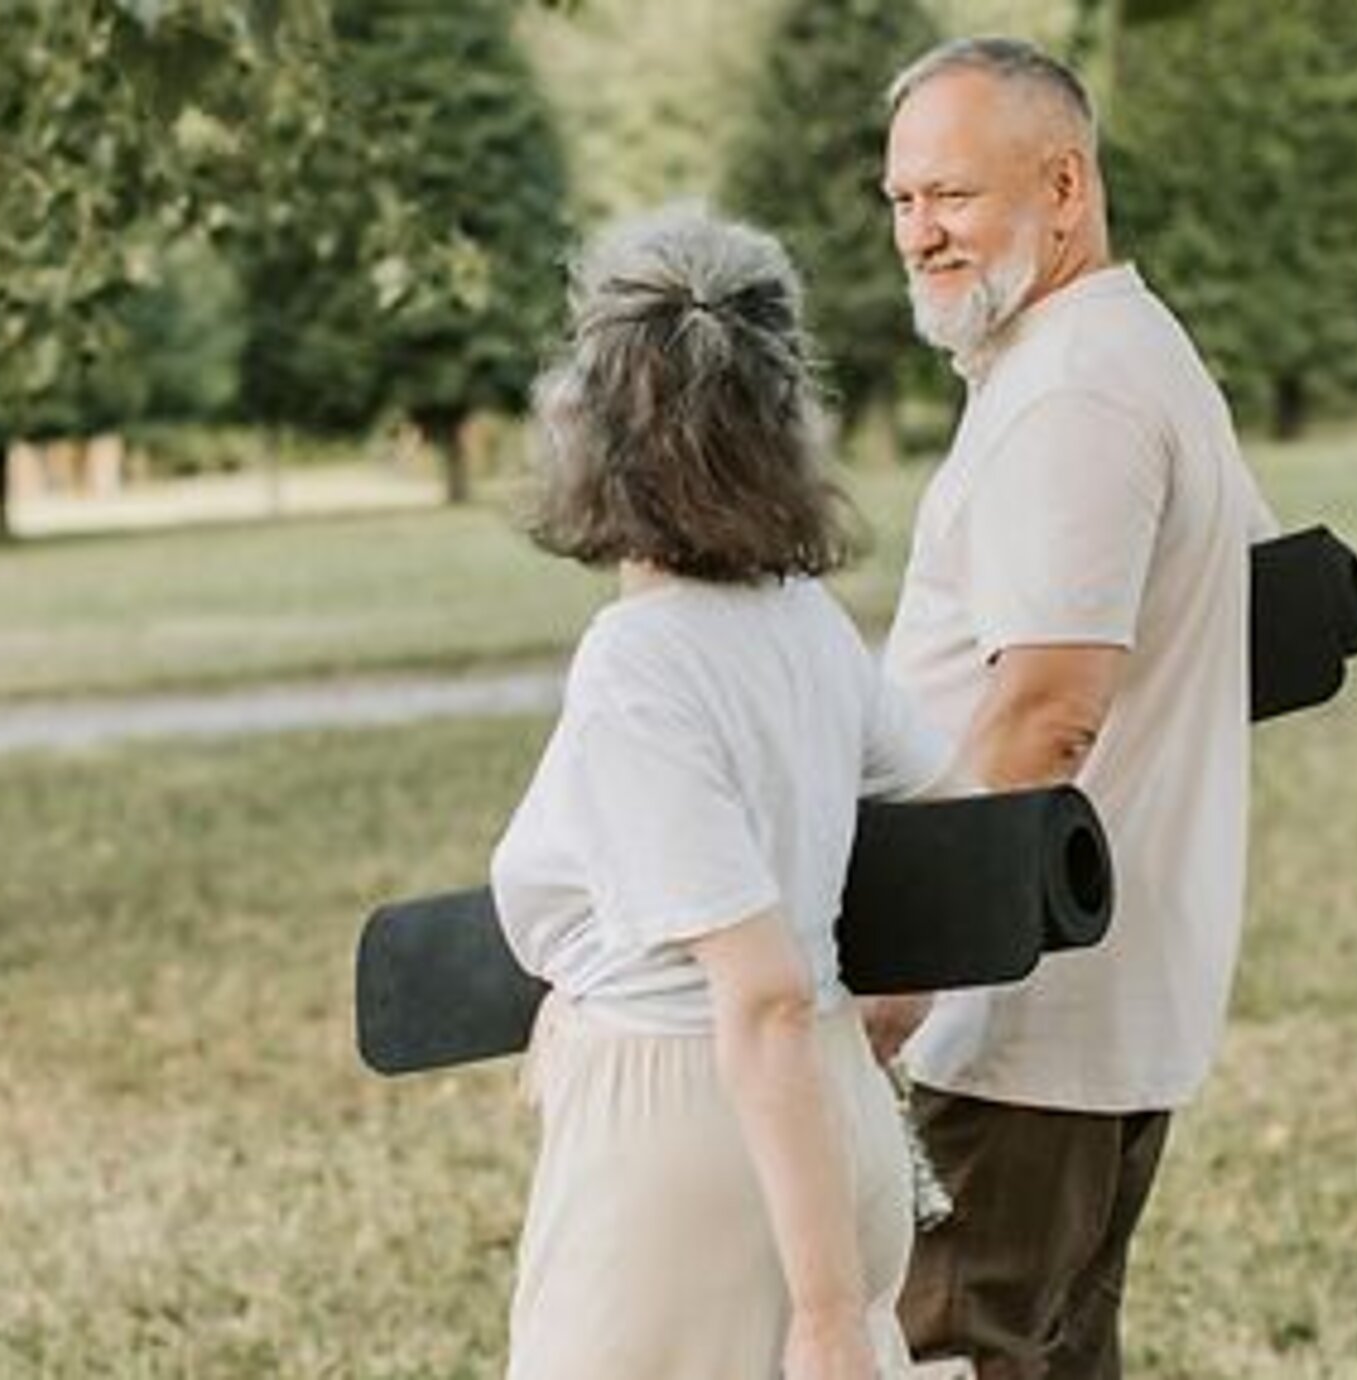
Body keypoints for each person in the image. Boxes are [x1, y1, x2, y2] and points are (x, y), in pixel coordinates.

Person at [866, 37, 1275, 1380]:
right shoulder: (1122, 349)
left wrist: (898, 984)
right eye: (902, 200)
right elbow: (1268, 613)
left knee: (946, 1352)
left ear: (1063, 186)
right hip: (1086, 995)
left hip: (1015, 1016)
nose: (919, 233)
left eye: (953, 195)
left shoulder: (1074, 394)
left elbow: (1047, 710)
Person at [491, 206, 959, 1380]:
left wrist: (825, 1311)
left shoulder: (638, 665)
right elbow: (954, 813)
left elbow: (759, 992)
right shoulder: (804, 624)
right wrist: (888, 1011)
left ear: (585, 422)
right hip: (831, 1114)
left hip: (690, 1142)